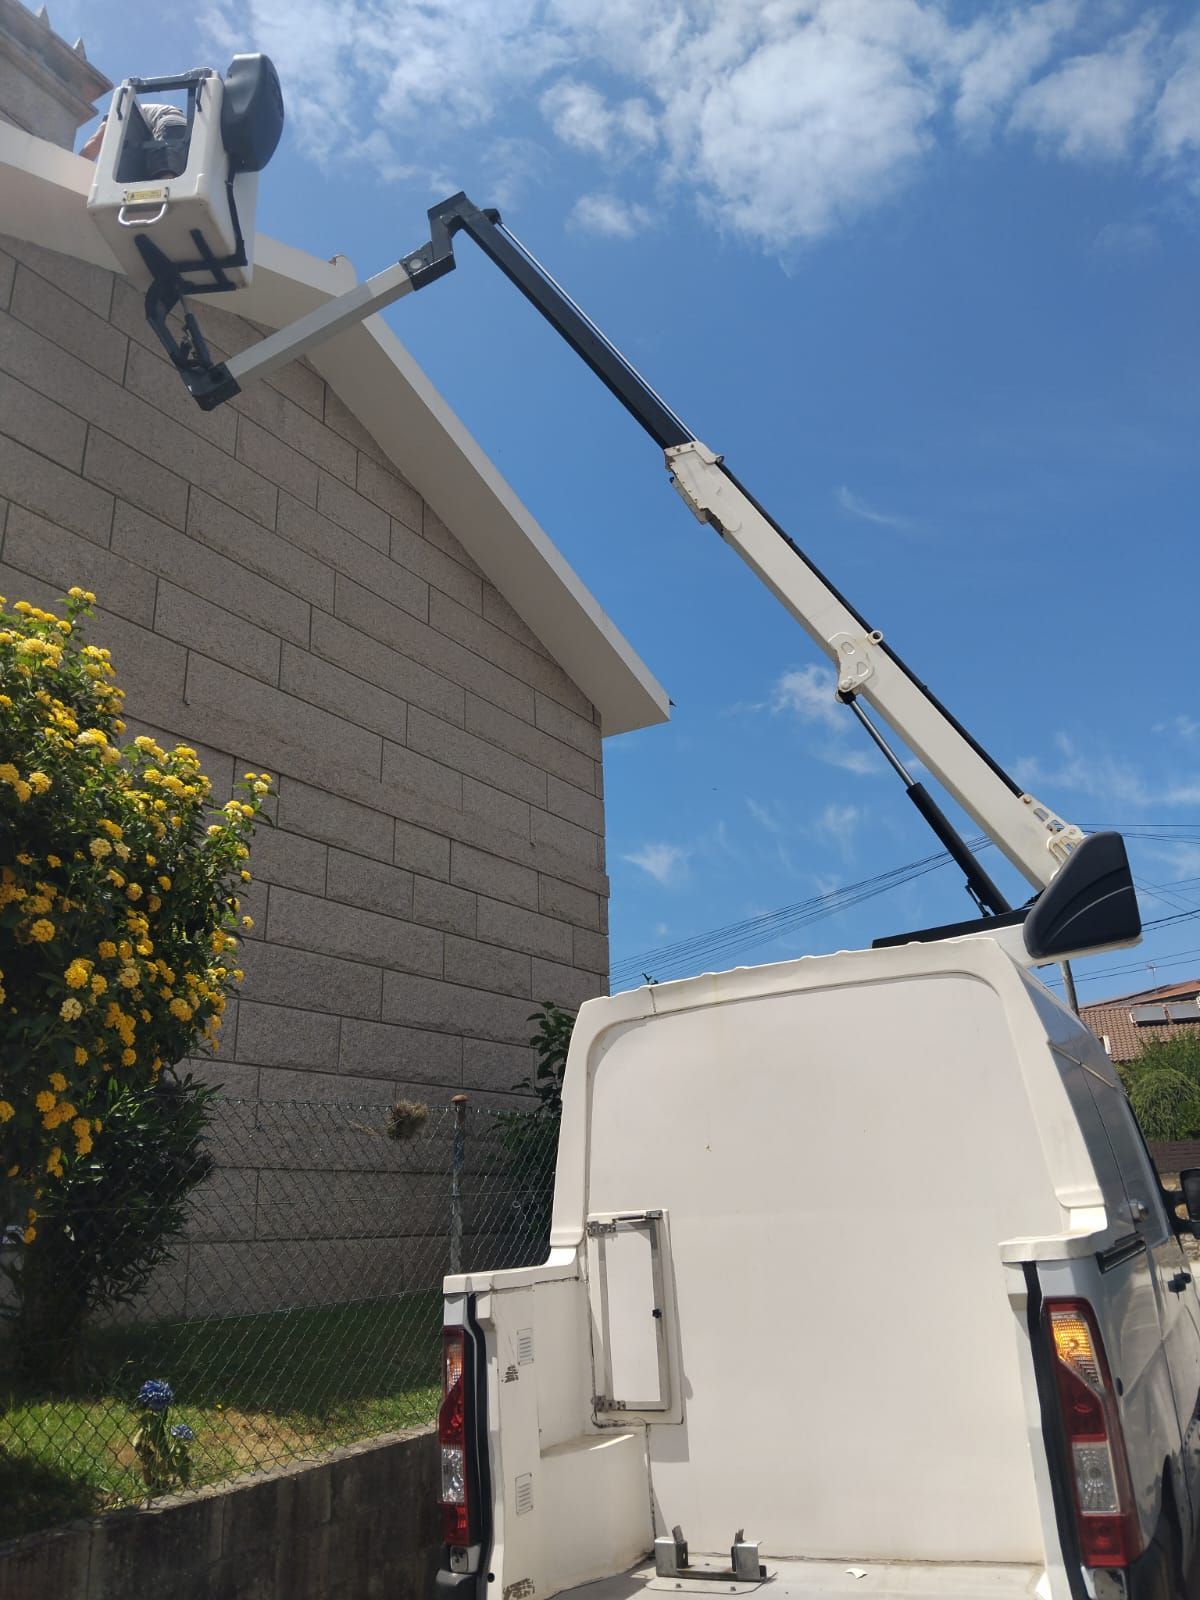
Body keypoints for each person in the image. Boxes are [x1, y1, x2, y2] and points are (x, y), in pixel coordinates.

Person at [79, 102, 188, 175]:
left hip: (168, 122)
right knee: (172, 169)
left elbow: (95, 140)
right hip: (184, 128)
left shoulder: (117, 113)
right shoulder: (139, 122)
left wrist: (76, 166)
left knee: (164, 170)